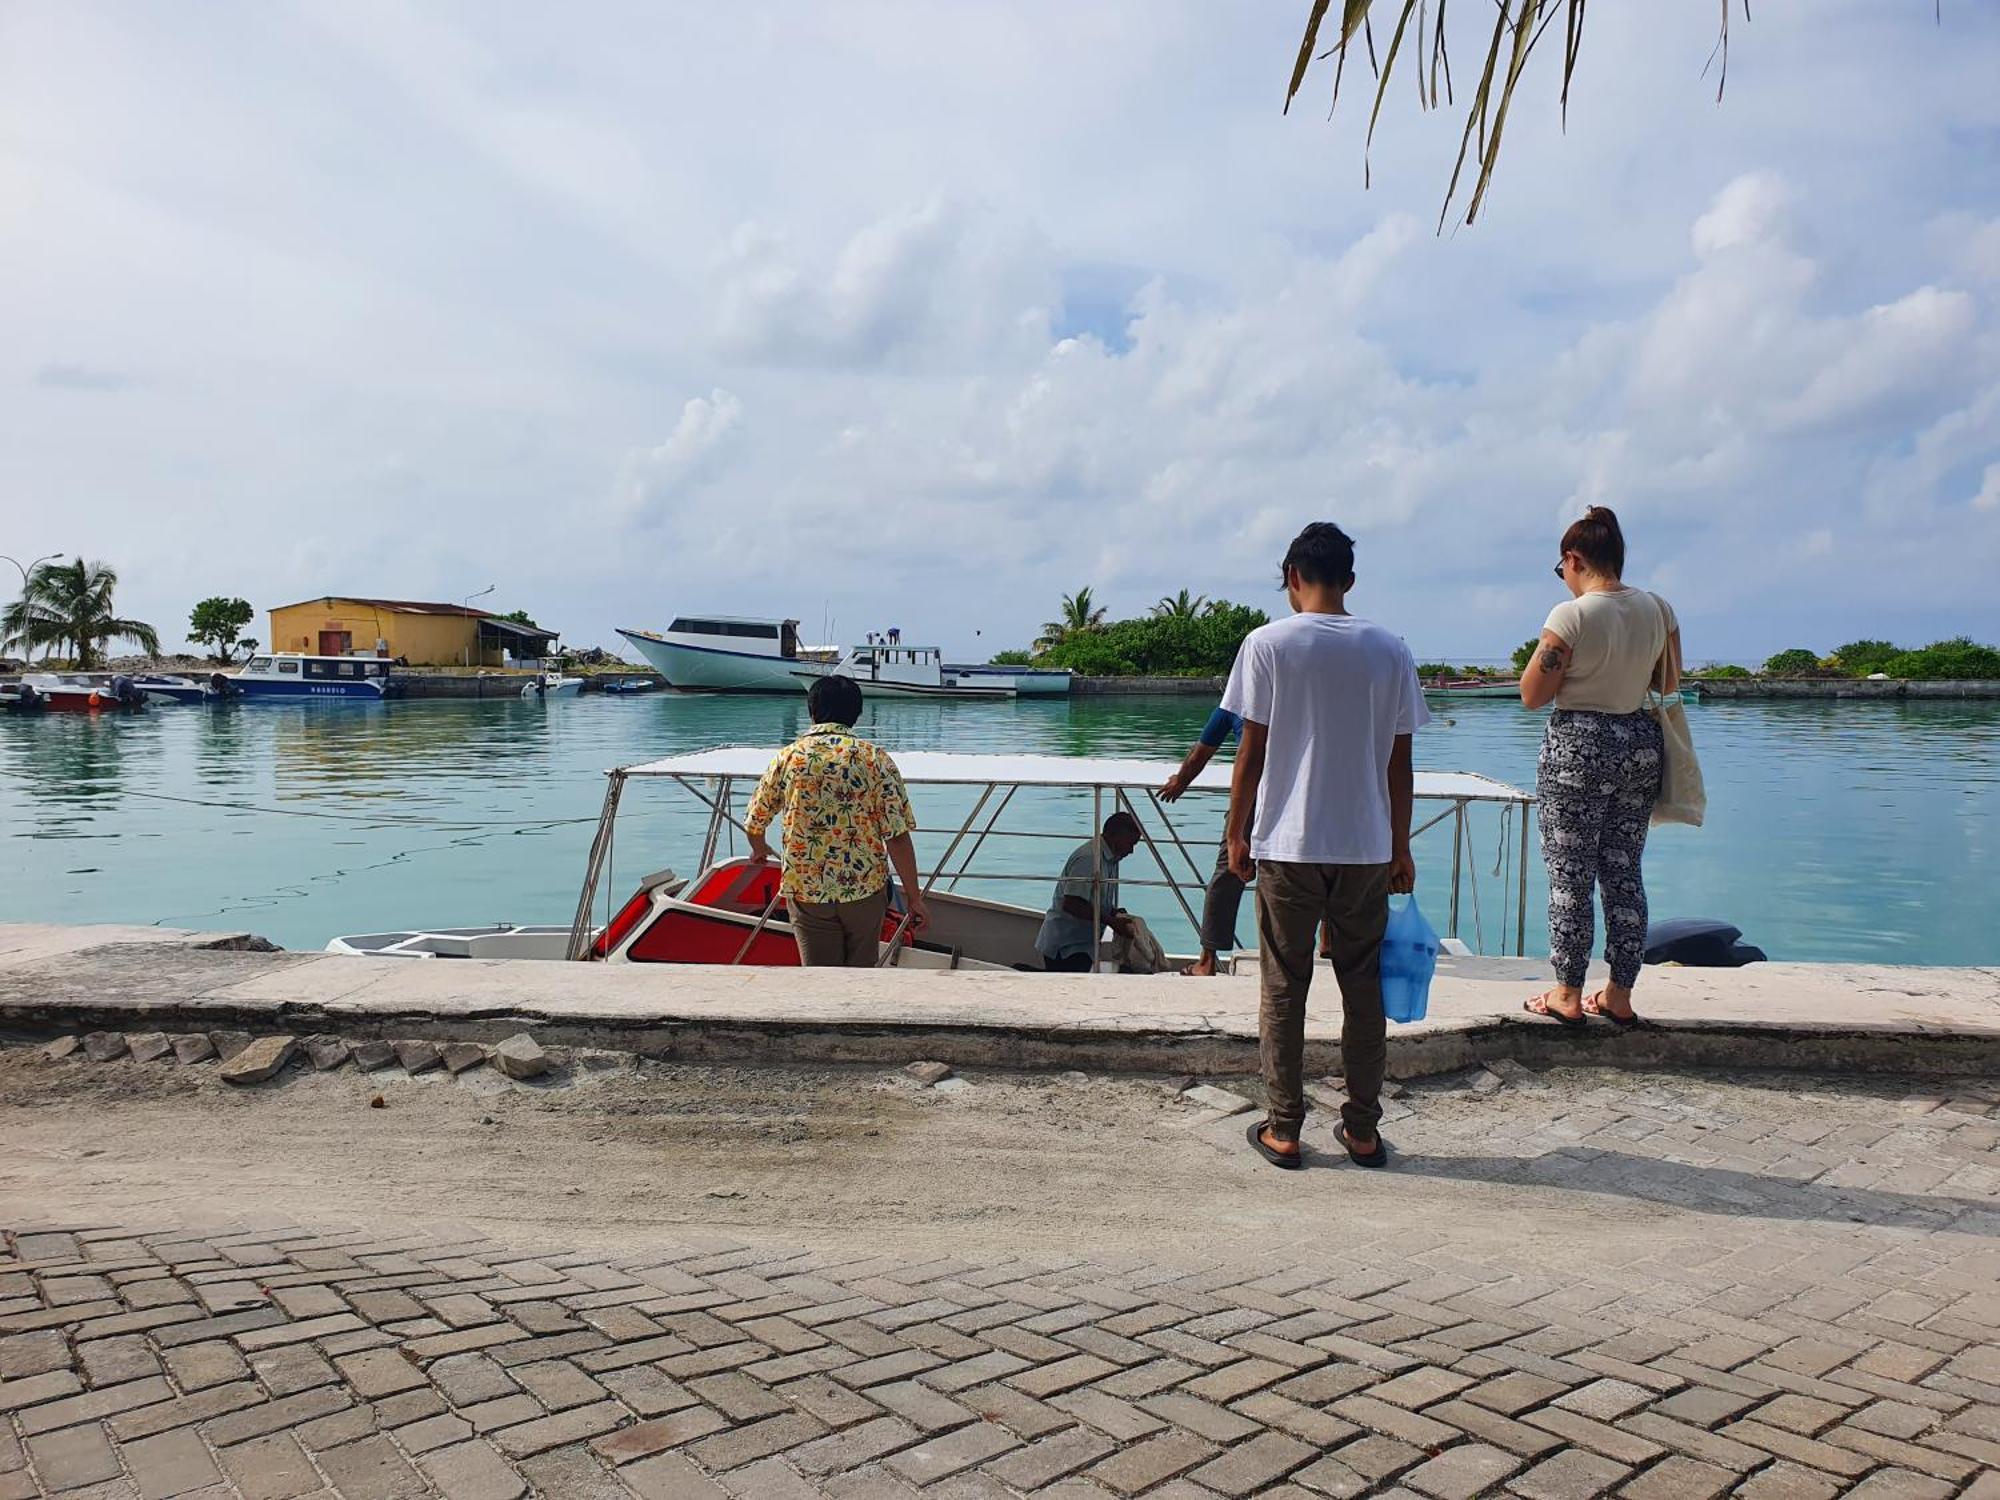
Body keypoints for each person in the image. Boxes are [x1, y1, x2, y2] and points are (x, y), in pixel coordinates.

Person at [1222, 522, 1428, 1171]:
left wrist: (1237, 832)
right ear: (1350, 580)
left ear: (1292, 578)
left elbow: (1250, 753)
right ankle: (1362, 1130)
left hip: (1288, 844)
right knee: (1361, 988)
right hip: (1366, 848)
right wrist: (1400, 845)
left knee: (1285, 987)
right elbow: (1401, 764)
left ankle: (1285, 1128)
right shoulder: (1389, 649)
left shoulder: (1267, 644)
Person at [1518, 505, 1681, 1029]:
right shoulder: (1659, 609)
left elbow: (1532, 694)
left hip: (1579, 746)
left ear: (1573, 559)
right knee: (1623, 870)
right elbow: (1666, 679)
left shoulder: (1572, 614)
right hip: (1639, 741)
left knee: (1570, 874)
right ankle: (1619, 993)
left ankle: (1567, 991)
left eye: (1560, 567)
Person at [745, 674, 930, 966]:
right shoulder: (875, 759)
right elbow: (897, 836)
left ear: (812, 711)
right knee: (860, 974)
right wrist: (915, 898)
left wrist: (758, 848)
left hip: (807, 890)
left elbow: (755, 820)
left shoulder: (788, 758)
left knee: (820, 979)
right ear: (856, 714)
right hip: (864, 891)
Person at [1160, 706, 1244, 976]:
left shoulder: (1237, 702)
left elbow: (1201, 752)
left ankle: (1207, 959)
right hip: (1295, 796)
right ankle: (1326, 936)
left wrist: (1181, 781)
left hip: (1252, 798)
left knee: (1227, 872)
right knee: (1296, 869)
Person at [1035, 812, 1143, 972]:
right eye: (1130, 843)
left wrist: (1113, 912)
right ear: (1114, 836)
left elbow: (1092, 897)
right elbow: (1072, 904)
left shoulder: (1110, 859)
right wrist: (1111, 922)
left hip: (1083, 943)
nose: (1131, 850)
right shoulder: (1089, 858)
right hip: (1067, 946)